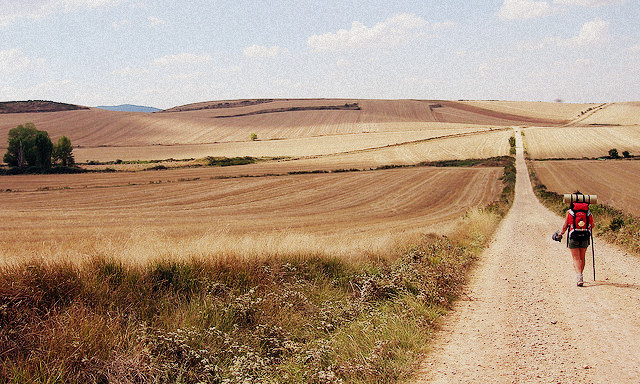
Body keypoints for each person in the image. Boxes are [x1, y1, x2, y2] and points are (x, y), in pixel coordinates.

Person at [558, 198, 594, 286]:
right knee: (582, 257)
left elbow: (565, 225)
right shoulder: (588, 212)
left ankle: (579, 276)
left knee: (576, 258)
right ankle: (580, 275)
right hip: (585, 236)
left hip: (573, 236)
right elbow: (592, 225)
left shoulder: (570, 212)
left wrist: (561, 233)